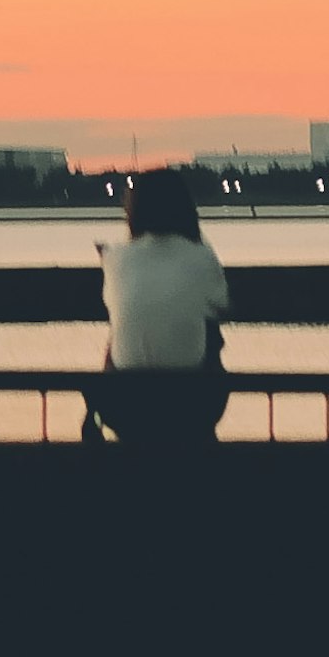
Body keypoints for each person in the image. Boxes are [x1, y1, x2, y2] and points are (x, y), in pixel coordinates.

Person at [87, 162, 232, 452]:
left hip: (124, 408)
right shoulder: (200, 255)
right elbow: (222, 305)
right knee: (209, 330)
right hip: (192, 408)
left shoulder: (117, 259)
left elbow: (114, 302)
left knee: (118, 333)